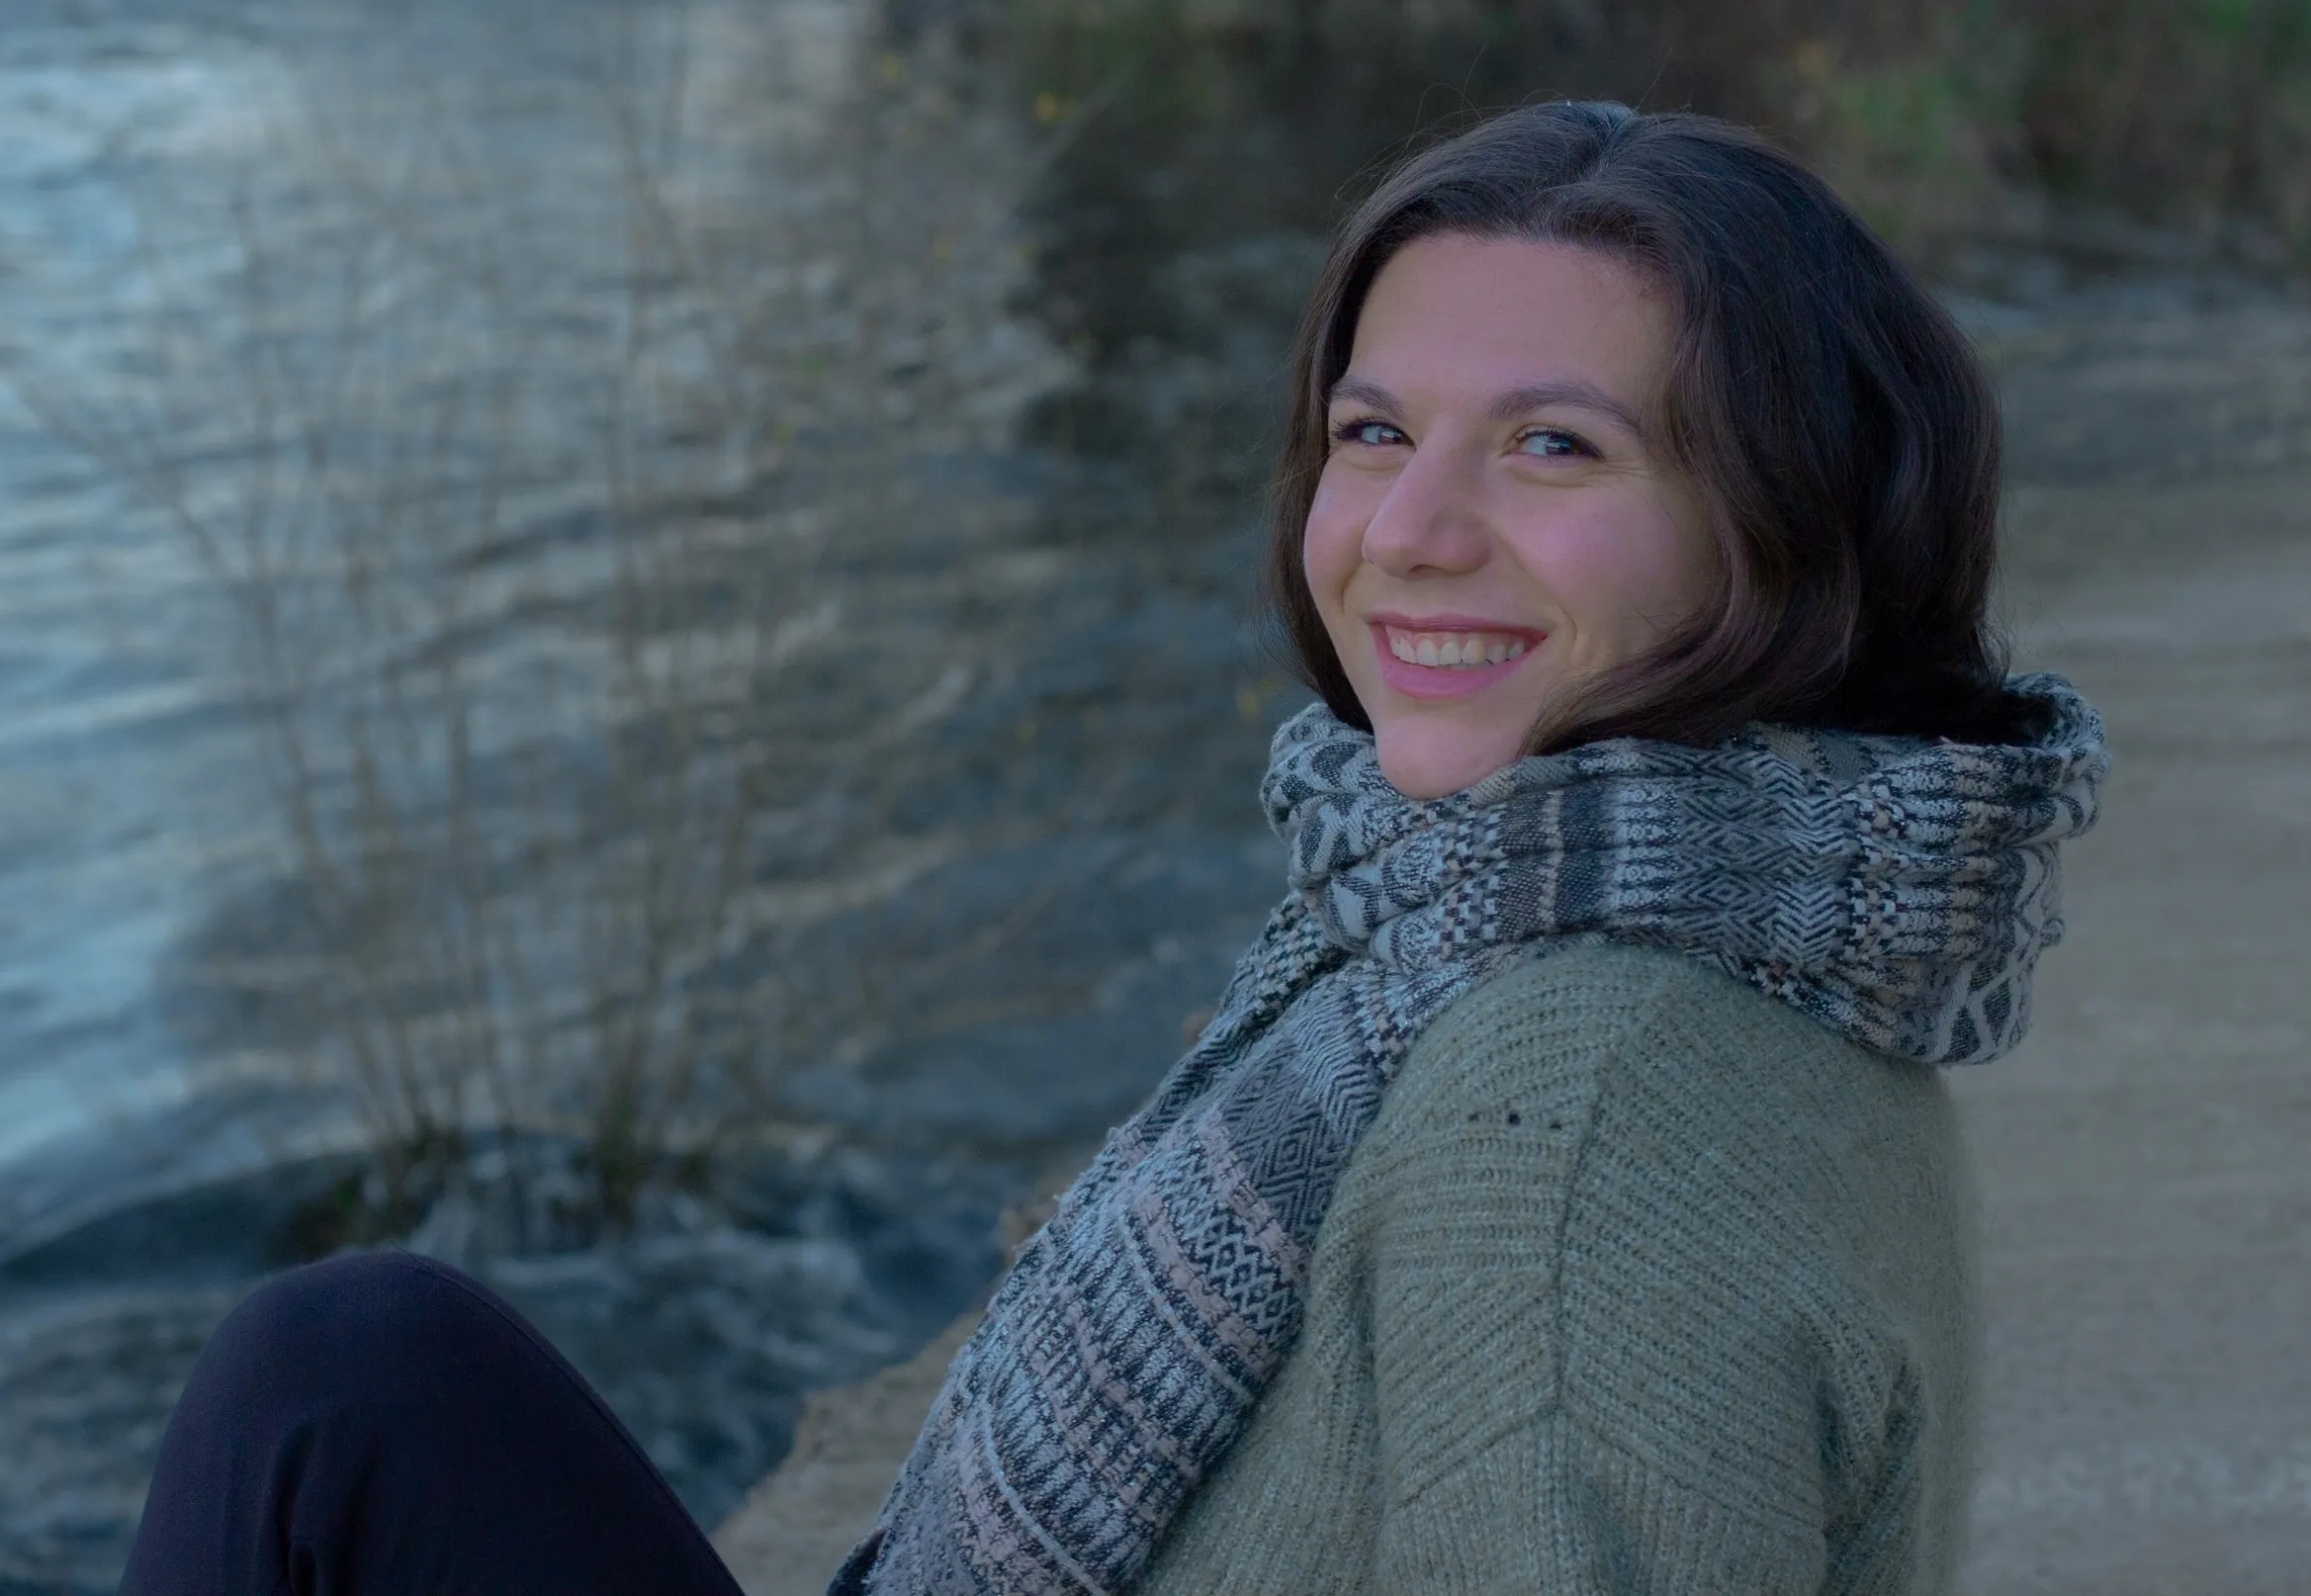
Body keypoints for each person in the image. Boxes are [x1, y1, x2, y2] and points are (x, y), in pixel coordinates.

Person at [118, 100, 2105, 1596]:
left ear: (1783, 525)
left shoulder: (1574, 1107)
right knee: (354, 1376)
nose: (1406, 531)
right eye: (1371, 430)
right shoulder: (1691, 926)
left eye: (1553, 444)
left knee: (325, 1396)